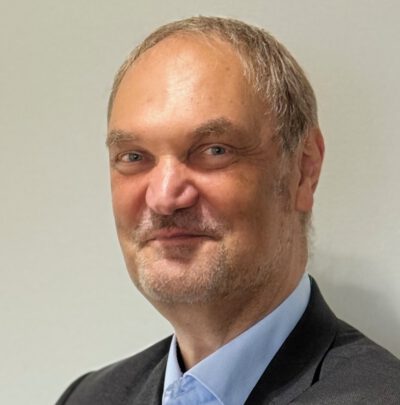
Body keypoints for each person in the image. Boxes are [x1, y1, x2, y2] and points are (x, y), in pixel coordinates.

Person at [56, 16, 400, 405]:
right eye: (134, 157)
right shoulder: (86, 397)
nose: (164, 197)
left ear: (304, 170)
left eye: (214, 150)